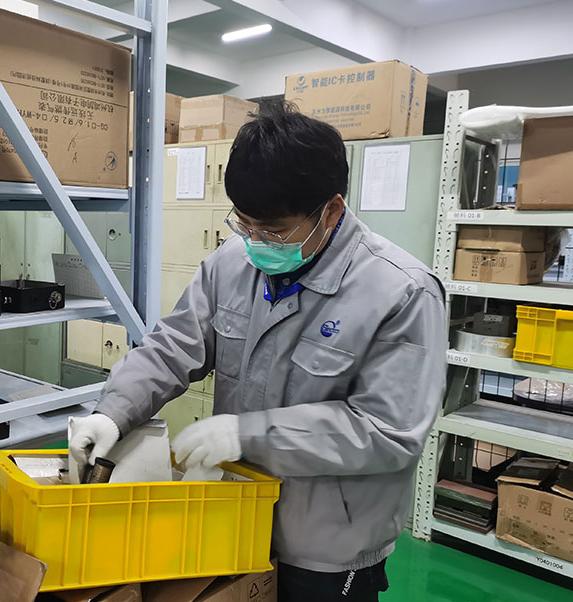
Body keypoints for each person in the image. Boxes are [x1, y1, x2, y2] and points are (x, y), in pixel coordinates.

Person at [69, 101, 447, 601]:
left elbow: (387, 430)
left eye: (273, 230)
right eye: (244, 224)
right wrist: (114, 412)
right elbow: (172, 347)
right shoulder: (230, 264)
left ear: (331, 211)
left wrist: (248, 434)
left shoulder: (402, 292)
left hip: (325, 544)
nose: (255, 242)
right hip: (233, 514)